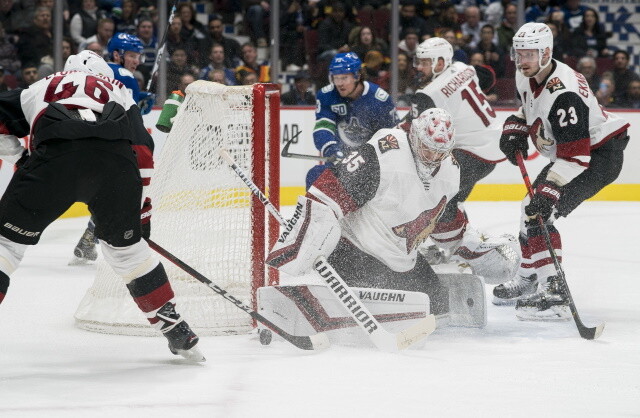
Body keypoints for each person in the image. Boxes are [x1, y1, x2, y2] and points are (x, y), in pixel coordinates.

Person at [0, 50, 204, 361]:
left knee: (5, 246)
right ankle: (176, 329)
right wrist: (141, 210)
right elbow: (143, 152)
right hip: (115, 165)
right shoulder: (120, 90)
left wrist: (20, 156)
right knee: (128, 253)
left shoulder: (42, 85)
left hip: (55, 159)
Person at [493, 22, 629, 321]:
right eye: (518, 53)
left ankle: (555, 294)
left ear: (546, 52)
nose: (522, 60)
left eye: (529, 54)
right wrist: (514, 128)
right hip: (578, 154)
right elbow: (528, 107)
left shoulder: (564, 94)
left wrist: (551, 190)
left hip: (598, 157)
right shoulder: (527, 72)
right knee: (528, 209)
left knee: (540, 212)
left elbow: (576, 157)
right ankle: (530, 278)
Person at [267, 108, 460, 315]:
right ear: (414, 136)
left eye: (440, 152)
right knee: (393, 311)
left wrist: (470, 247)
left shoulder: (451, 172)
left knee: (438, 306)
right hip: (355, 250)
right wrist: (301, 241)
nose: (433, 157)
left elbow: (445, 222)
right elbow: (330, 191)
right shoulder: (387, 152)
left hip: (401, 257)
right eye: (427, 148)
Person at [406, 37, 518, 284]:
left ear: (441, 62)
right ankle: (449, 244)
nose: (419, 68)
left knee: (437, 197)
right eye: (419, 61)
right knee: (449, 197)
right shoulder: (464, 68)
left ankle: (469, 250)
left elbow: (411, 130)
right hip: (491, 145)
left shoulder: (428, 93)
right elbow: (488, 76)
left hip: (471, 152)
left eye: (425, 62)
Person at [70, 33, 155, 265]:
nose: (136, 61)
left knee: (108, 192)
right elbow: (129, 114)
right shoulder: (126, 75)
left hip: (92, 141)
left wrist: (140, 98)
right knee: (128, 193)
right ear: (116, 54)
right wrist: (141, 103)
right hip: (120, 144)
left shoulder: (99, 72)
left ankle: (89, 240)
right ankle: (126, 242)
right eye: (131, 55)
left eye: (138, 56)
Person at [306, 52, 398, 188]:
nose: (340, 84)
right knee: (315, 176)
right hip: (339, 162)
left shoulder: (379, 99)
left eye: (344, 78)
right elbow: (322, 129)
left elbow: (392, 137)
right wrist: (332, 150)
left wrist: (368, 158)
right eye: (336, 78)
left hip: (372, 165)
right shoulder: (327, 95)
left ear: (357, 76)